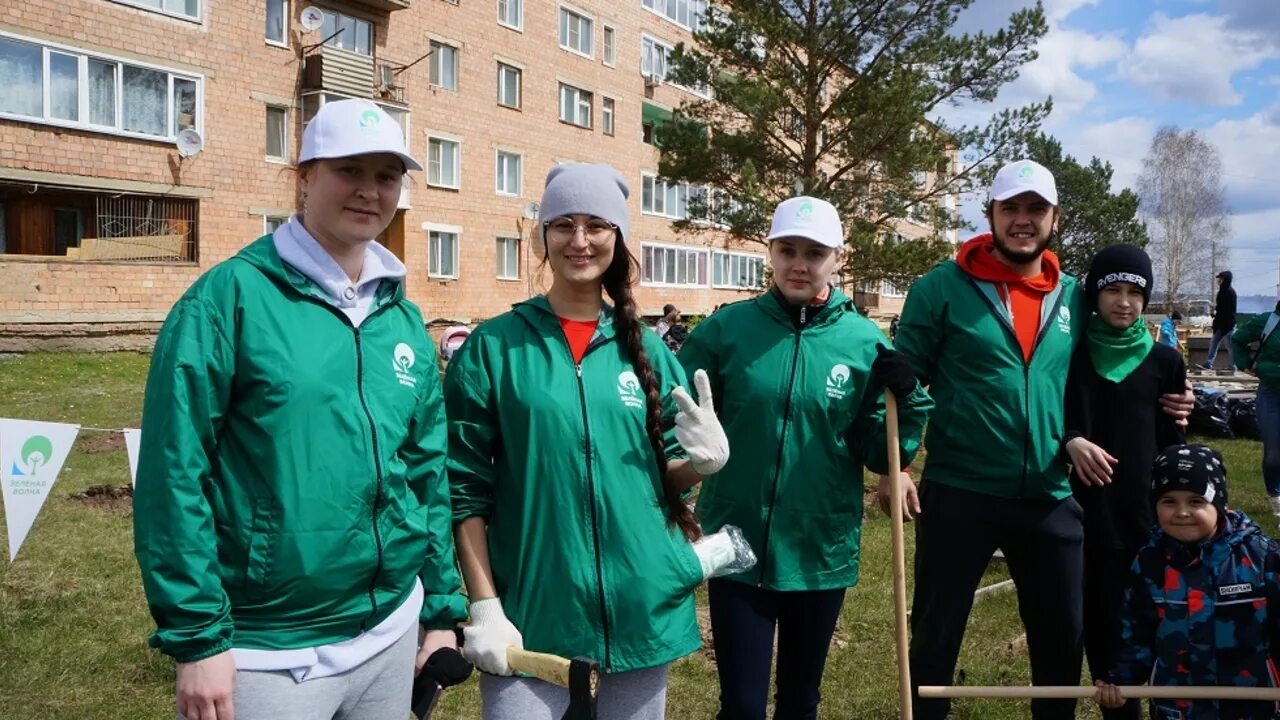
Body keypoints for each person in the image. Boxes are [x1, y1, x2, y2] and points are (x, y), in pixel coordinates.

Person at [133, 99, 466, 720]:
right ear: (305, 175)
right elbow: (172, 476)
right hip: (268, 652)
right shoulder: (227, 300)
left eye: (387, 176)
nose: (370, 191)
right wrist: (198, 639)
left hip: (391, 630)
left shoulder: (403, 318)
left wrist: (441, 609)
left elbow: (426, 476)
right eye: (350, 170)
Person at [896, 159, 1194, 720]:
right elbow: (905, 386)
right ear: (990, 215)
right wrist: (897, 464)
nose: (1023, 221)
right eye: (1011, 208)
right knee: (936, 634)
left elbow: (1118, 356)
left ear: (1054, 218)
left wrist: (1173, 392)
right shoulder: (939, 288)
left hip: (1053, 496)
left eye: (1036, 209)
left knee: (1061, 642)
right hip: (962, 489)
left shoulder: (1075, 296)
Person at [445, 163, 732, 720]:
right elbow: (464, 490)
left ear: (618, 238)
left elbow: (665, 473)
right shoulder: (494, 348)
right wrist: (484, 605)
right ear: (542, 238)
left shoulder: (648, 349)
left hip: (640, 600)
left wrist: (700, 464)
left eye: (597, 224)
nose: (580, 240)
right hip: (533, 605)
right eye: (564, 225)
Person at [678, 196, 933, 720]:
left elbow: (878, 450)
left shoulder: (864, 340)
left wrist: (907, 405)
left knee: (800, 701)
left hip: (819, 548)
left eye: (814, 252)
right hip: (735, 542)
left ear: (837, 257)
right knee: (743, 706)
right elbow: (672, 418)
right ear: (769, 252)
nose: (799, 263)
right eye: (787, 249)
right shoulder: (726, 331)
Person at [1062, 244, 1186, 720]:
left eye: (1134, 292)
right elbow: (1056, 422)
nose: (1123, 302)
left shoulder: (1165, 362)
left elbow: (1172, 442)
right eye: (1111, 290)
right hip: (1085, 512)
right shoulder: (1070, 359)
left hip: (1144, 514)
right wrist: (1072, 439)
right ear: (1094, 295)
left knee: (1151, 621)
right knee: (1100, 623)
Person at [1096, 444, 1280, 720]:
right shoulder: (1149, 562)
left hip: (1252, 704)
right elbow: (1137, 630)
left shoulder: (1262, 557)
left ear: (1220, 505)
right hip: (1178, 707)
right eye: (1169, 501)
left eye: (1196, 501)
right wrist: (1122, 680)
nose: (1182, 512)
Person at [1233, 299, 1280, 519]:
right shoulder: (1268, 321)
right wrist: (1246, 363)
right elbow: (1238, 339)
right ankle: (1276, 497)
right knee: (1273, 452)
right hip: (1271, 395)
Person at [1206, 270, 1237, 371]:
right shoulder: (1221, 292)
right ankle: (1208, 364)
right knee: (1214, 343)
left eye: (1220, 279)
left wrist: (1218, 313)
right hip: (1220, 324)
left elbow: (1230, 311)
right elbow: (1220, 308)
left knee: (1230, 347)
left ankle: (1232, 367)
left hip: (1228, 325)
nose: (1218, 281)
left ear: (1225, 280)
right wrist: (1214, 313)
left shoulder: (1230, 293)